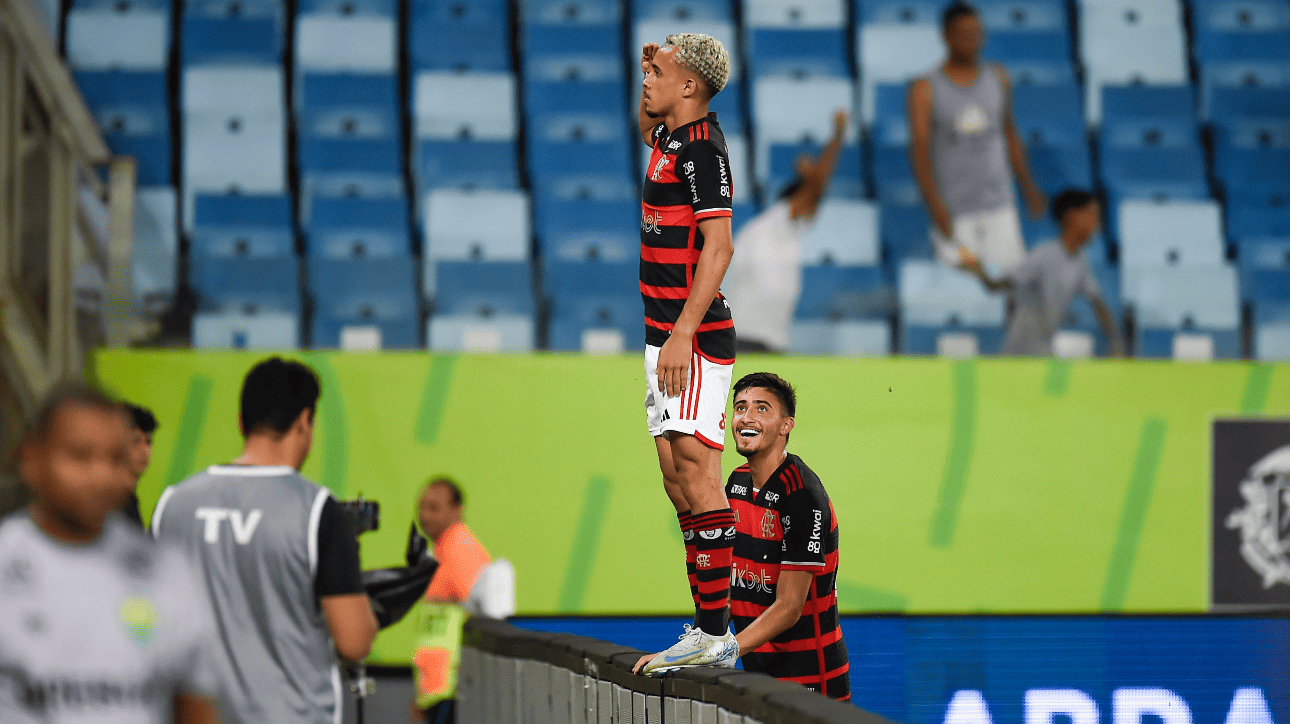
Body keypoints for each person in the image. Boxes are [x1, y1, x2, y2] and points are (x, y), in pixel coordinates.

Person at [151, 357, 377, 724]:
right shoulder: (317, 510)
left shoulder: (172, 505)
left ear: (241, 422)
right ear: (305, 421)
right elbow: (354, 642)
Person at [0, 383, 221, 723]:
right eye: (80, 456)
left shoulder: (168, 568)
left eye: (116, 458)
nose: (100, 475)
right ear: (32, 460)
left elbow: (193, 703)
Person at [636, 374, 849, 699]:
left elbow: (789, 607)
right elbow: (680, 486)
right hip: (757, 680)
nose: (746, 417)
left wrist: (724, 650)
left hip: (812, 684)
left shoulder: (803, 496)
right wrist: (690, 650)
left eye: (762, 408)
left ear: (785, 425)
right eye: (740, 407)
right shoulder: (736, 483)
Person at [637, 33, 740, 670]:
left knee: (700, 478)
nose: (647, 78)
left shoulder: (705, 151)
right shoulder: (670, 138)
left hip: (691, 338)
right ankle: (707, 625)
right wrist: (655, 66)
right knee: (678, 482)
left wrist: (681, 333)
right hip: (661, 337)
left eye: (661, 71)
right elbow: (647, 113)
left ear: (691, 89)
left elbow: (720, 248)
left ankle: (716, 634)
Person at [908, 2, 1047, 271]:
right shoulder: (925, 88)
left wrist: (1028, 187)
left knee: (1010, 285)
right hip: (955, 210)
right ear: (945, 36)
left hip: (1000, 204)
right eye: (963, 34)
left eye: (976, 33)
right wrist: (934, 205)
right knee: (961, 291)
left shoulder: (998, 77)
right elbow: (920, 151)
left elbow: (1010, 134)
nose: (972, 41)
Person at [722, 110, 850, 354]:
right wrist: (837, 137)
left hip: (763, 341)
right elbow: (815, 188)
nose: (814, 207)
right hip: (749, 340)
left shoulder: (780, 229)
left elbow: (814, 190)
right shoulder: (775, 224)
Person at [963, 189, 1124, 356]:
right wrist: (980, 272)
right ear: (1072, 216)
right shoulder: (1044, 255)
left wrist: (1115, 339)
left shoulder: (1080, 260)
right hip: (1021, 348)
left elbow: (1097, 301)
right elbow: (998, 286)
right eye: (1092, 215)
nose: (1097, 224)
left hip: (1044, 347)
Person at [411, 477, 491, 724]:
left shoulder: (461, 550)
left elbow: (483, 615)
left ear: (457, 510)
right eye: (421, 507)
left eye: (434, 508)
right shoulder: (442, 550)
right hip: (438, 690)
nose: (424, 515)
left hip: (453, 688)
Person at [119, 402, 158, 527]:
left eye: (148, 442)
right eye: (136, 442)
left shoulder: (130, 500)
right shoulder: (107, 505)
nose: (145, 451)